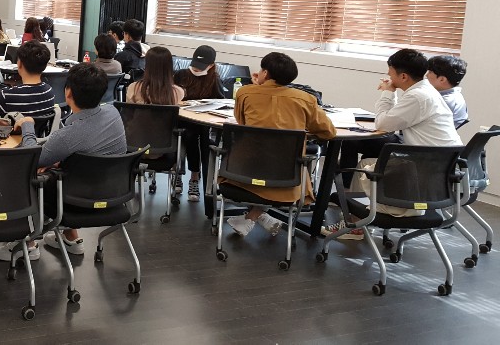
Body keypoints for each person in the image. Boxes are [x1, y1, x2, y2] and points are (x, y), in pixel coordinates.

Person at [0, 63, 127, 261]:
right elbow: (91, 148)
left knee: (24, 174)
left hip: (74, 201)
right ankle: (71, 238)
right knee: (68, 171)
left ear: (68, 92)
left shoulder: (68, 136)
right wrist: (62, 161)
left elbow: (32, 158)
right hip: (114, 194)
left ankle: (26, 244)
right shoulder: (114, 113)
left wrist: (28, 126)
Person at [325, 49, 463, 238]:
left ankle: (356, 225)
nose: (389, 77)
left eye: (391, 74)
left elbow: (383, 123)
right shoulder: (425, 92)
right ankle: (357, 222)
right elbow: (395, 118)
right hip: (438, 175)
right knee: (366, 163)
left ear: (403, 76)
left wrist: (388, 92)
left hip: (420, 175)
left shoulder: (417, 97)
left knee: (365, 166)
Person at [225, 52, 336, 237]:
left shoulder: (245, 92)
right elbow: (329, 132)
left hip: (242, 171)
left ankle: (255, 215)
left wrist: (256, 87)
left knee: (260, 162)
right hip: (287, 177)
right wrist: (301, 133)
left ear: (265, 73)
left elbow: (242, 122)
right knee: (284, 164)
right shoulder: (305, 99)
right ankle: (258, 215)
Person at [174, 45, 223, 202]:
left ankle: (194, 178)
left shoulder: (214, 79)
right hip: (179, 119)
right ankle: (178, 174)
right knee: (184, 134)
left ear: (211, 65)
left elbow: (221, 102)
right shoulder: (181, 75)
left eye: (201, 66)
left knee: (194, 135)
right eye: (195, 64)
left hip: (201, 121)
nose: (196, 69)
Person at [0, 41, 55, 118]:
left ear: (19, 64)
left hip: (13, 126)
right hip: (40, 126)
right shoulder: (49, 92)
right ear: (45, 66)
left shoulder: (6, 96)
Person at [427, 55, 469, 128]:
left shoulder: (444, 101)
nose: (426, 75)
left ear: (442, 79)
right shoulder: (455, 96)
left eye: (430, 72)